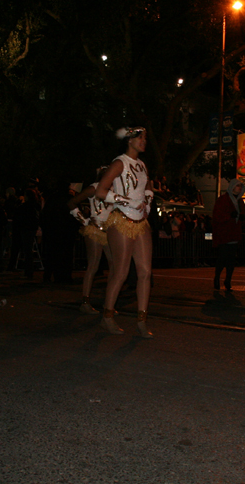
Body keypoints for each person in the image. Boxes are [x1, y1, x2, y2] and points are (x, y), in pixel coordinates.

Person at [95, 127, 154, 338]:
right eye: (140, 137)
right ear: (129, 140)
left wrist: (146, 204)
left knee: (145, 272)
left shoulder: (142, 165)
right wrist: (126, 201)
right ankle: (107, 317)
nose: (143, 141)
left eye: (145, 138)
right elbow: (101, 191)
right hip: (120, 220)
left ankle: (141, 320)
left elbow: (147, 189)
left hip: (140, 222)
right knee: (120, 272)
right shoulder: (119, 162)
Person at [68, 167, 113, 313]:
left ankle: (109, 303)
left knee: (115, 266)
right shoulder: (94, 188)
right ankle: (85, 302)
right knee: (93, 264)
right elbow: (72, 203)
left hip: (109, 231)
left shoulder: (113, 191)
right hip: (94, 230)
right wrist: (85, 221)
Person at [212, 178, 245, 291]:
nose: (240, 188)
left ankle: (228, 280)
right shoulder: (224, 200)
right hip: (225, 234)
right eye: (238, 186)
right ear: (233, 186)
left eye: (240, 186)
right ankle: (218, 278)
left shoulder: (239, 201)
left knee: (231, 260)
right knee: (223, 258)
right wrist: (230, 216)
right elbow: (217, 216)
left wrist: (243, 219)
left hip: (234, 233)